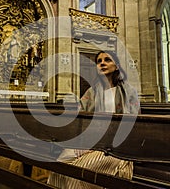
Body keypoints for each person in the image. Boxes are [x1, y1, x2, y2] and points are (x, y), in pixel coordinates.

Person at [47, 50, 140, 188]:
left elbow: (134, 122)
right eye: (99, 61)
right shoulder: (92, 91)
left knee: (78, 173)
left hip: (115, 147)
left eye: (107, 60)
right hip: (91, 141)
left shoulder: (128, 91)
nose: (102, 63)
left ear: (117, 66)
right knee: (59, 167)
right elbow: (80, 113)